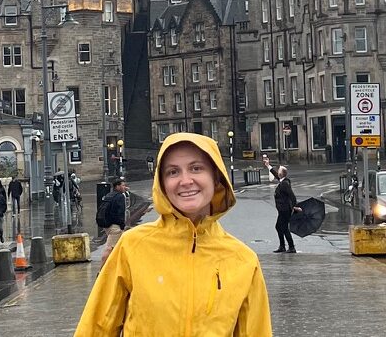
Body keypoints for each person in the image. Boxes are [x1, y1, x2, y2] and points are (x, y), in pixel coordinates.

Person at [75, 133, 272, 336]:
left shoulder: (243, 261)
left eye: (196, 168)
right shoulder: (132, 247)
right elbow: (97, 327)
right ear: (161, 183)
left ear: (216, 177)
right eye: (173, 172)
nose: (185, 181)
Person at [264, 158, 299, 253]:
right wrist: (268, 166)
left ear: (281, 174)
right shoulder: (283, 181)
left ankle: (291, 247)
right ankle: (282, 246)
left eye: (279, 170)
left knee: (283, 227)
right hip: (282, 209)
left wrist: (295, 206)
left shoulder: (285, 184)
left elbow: (292, 195)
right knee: (279, 227)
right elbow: (275, 174)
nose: (278, 171)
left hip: (285, 210)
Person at [97, 178, 130, 265]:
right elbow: (120, 213)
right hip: (115, 226)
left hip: (107, 224)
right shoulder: (120, 197)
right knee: (109, 248)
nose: (124, 187)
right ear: (117, 186)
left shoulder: (110, 195)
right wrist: (122, 226)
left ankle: (115, 267)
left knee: (118, 247)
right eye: (123, 185)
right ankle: (101, 270)